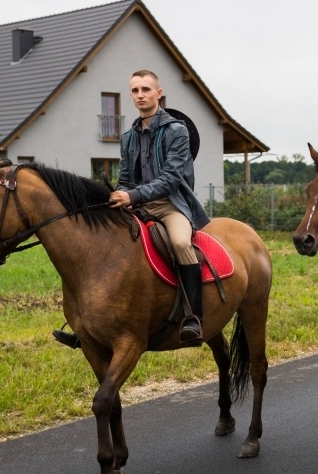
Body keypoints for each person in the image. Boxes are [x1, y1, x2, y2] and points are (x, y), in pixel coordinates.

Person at [53, 69, 210, 348]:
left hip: (171, 204)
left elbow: (171, 179)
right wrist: (119, 192)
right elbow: (125, 176)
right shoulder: (128, 136)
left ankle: (193, 317)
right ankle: (89, 323)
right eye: (135, 90)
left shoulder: (177, 130)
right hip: (135, 203)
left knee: (179, 242)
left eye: (146, 89)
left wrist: (132, 196)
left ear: (158, 93)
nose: (140, 95)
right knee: (100, 238)